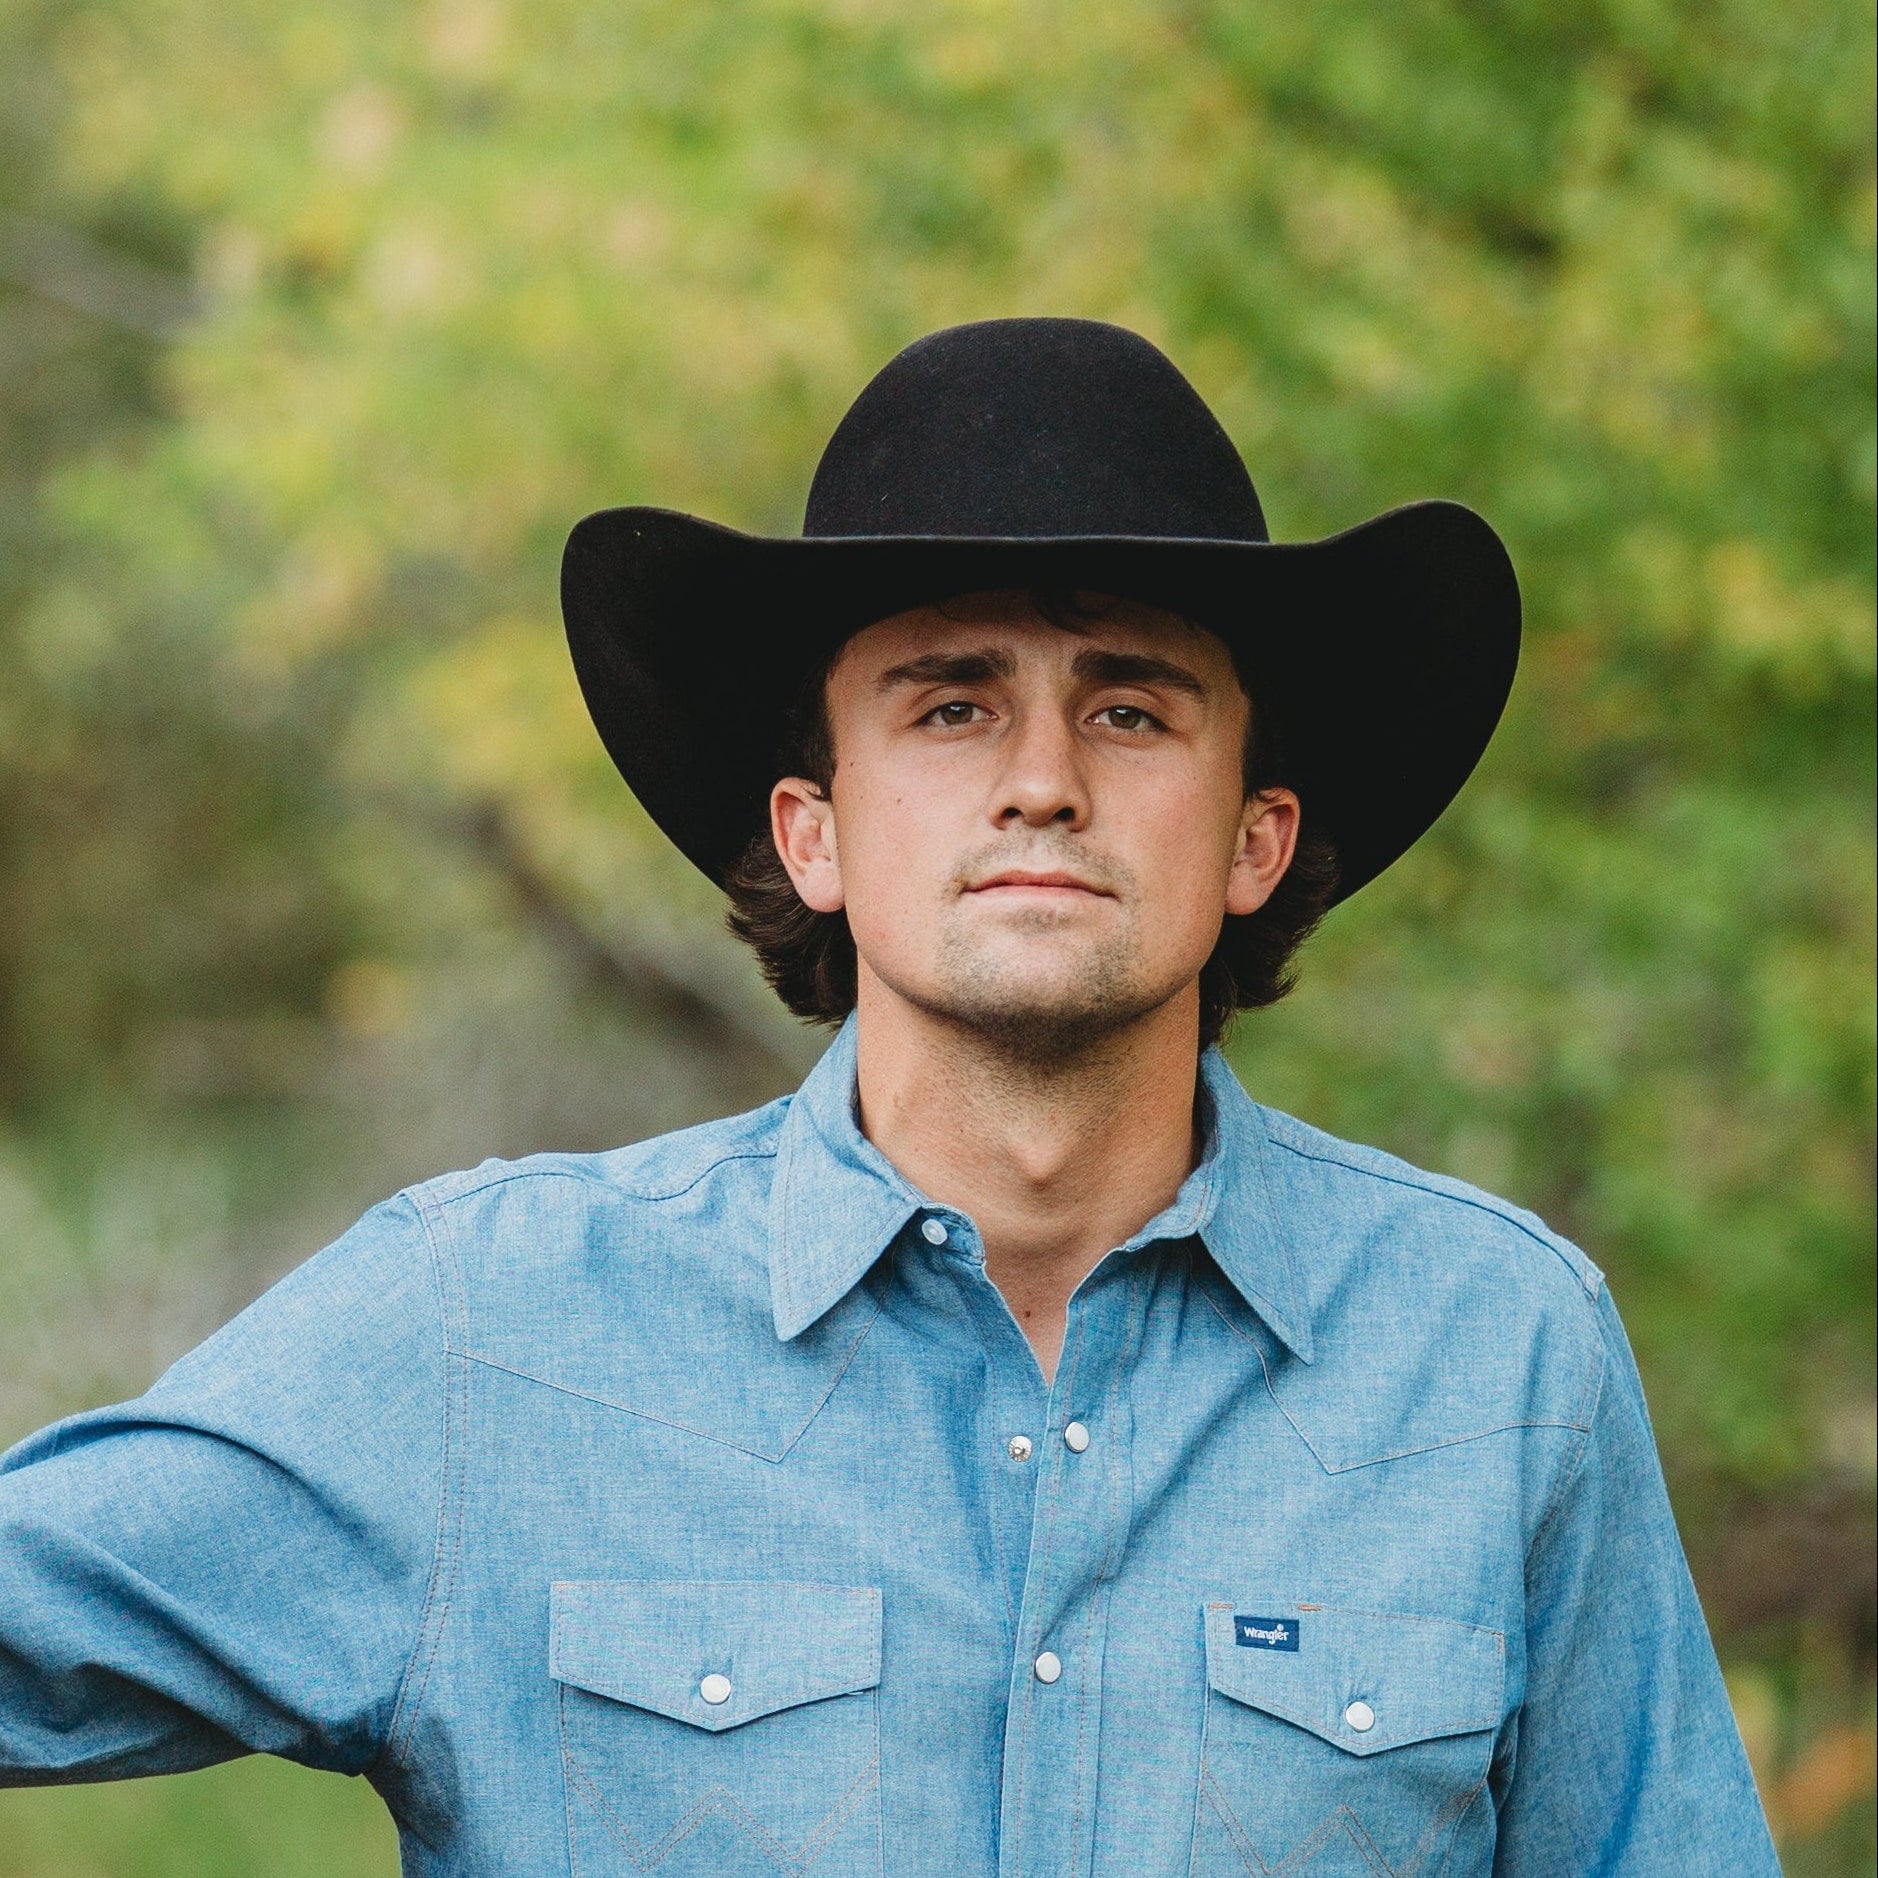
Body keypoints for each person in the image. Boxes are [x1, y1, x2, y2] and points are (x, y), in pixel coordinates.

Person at [0, 319, 1776, 1875]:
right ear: (815, 830)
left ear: (1257, 836)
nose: (1039, 781)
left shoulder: (1499, 1353)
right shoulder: (488, 1335)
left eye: (1133, 710)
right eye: (947, 705)